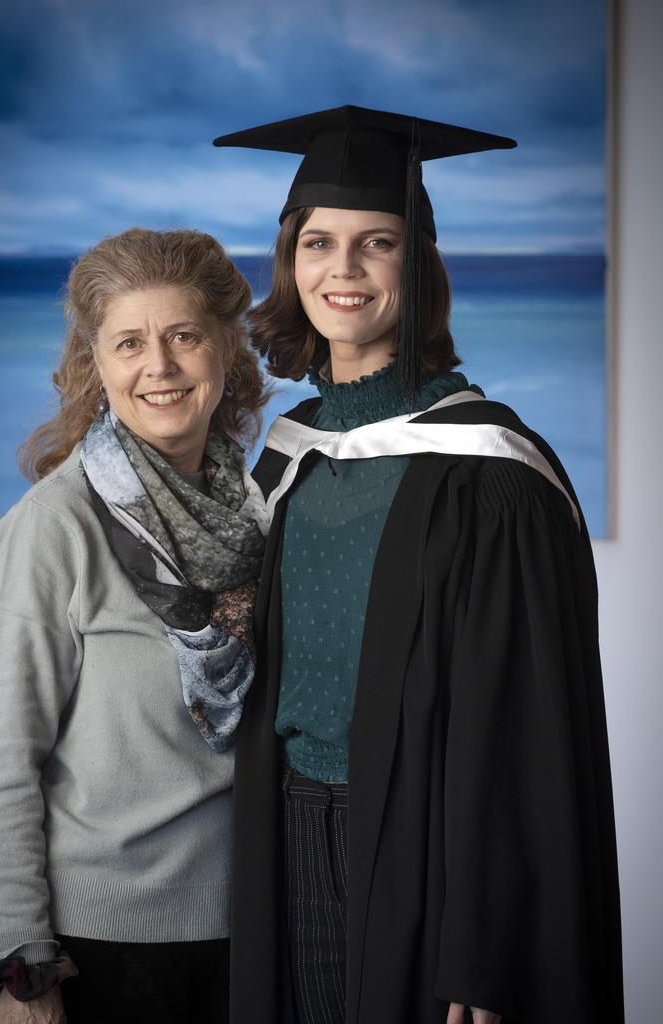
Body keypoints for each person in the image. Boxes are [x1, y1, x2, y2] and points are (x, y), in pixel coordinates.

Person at [213, 106, 624, 1024]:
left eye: (378, 243)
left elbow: (527, 732)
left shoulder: (492, 474)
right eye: (318, 243)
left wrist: (487, 947)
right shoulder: (287, 455)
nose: (343, 270)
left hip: (429, 853)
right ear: (291, 264)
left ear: (419, 266)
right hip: (287, 831)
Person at [0, 227, 269, 1023]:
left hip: (255, 927)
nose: (159, 366)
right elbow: (1, 762)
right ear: (95, 365)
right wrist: (19, 971)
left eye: (183, 337)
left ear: (226, 352)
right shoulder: (54, 527)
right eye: (128, 342)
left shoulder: (260, 512)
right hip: (99, 948)